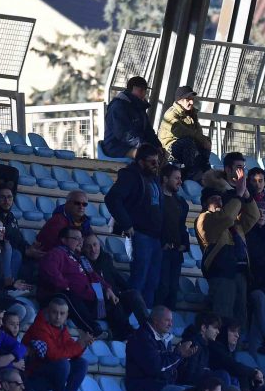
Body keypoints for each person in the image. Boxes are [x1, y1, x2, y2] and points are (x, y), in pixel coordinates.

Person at [195, 158, 261, 329]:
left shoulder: (234, 223)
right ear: (205, 203)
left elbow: (253, 217)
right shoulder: (205, 218)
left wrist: (246, 196)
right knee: (222, 316)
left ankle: (235, 344)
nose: (219, 202)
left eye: (221, 199)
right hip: (222, 273)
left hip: (239, 272)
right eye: (214, 199)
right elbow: (226, 217)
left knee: (239, 319)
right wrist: (237, 195)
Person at [105, 144, 165, 307]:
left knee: (152, 282)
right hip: (140, 234)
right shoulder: (130, 176)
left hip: (155, 236)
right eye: (152, 162)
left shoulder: (153, 178)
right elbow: (112, 198)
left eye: (157, 161)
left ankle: (146, 317)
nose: (156, 165)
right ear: (140, 161)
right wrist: (127, 224)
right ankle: (131, 316)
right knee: (139, 280)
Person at [38, 227, 119, 337]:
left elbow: (94, 276)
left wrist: (107, 288)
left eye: (81, 239)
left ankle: (122, 333)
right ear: (64, 240)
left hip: (85, 298)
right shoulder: (57, 253)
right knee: (69, 295)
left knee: (116, 299)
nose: (80, 242)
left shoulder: (80, 258)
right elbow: (49, 270)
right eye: (76, 238)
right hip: (60, 297)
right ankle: (93, 330)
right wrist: (66, 286)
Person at [22, 297, 91, 391]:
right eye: (54, 312)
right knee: (63, 364)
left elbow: (71, 350)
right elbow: (53, 355)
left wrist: (83, 344)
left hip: (50, 374)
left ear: (67, 315)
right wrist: (78, 345)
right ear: (48, 311)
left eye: (62, 313)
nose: (58, 317)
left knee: (81, 363)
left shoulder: (61, 328)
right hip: (33, 377)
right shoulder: (40, 327)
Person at [126, 306, 197, 391]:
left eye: (171, 321)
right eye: (167, 320)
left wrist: (181, 356)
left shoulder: (164, 337)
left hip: (159, 383)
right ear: (155, 320)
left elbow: (167, 367)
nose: (171, 324)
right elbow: (157, 368)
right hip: (141, 384)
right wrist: (179, 354)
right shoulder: (142, 338)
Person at [80, 233, 149, 340]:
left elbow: (117, 277)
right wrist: (108, 292)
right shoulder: (81, 263)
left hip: (114, 299)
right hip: (97, 305)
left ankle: (148, 330)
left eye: (95, 245)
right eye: (88, 246)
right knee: (113, 303)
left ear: (99, 245)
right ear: (83, 249)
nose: (93, 249)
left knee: (134, 295)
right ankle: (126, 335)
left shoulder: (106, 258)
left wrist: (129, 290)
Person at [0, 185, 44, 287]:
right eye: (2, 197)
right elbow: (2, 239)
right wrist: (24, 250)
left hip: (11, 252)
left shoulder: (11, 217)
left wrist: (28, 247)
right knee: (15, 253)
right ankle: (9, 284)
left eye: (9, 197)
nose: (6, 201)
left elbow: (17, 238)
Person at [101, 76, 161, 159]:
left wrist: (157, 145)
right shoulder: (118, 106)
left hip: (134, 145)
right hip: (116, 147)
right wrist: (144, 146)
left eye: (145, 90)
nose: (144, 93)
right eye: (141, 90)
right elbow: (124, 134)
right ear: (131, 89)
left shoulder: (139, 107)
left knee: (159, 155)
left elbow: (148, 130)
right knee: (147, 157)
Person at [155, 164, 189, 309]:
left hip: (176, 252)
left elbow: (181, 226)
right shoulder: (156, 199)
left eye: (180, 178)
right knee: (162, 287)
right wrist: (162, 243)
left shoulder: (181, 203)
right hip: (161, 251)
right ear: (165, 179)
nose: (180, 181)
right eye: (176, 178)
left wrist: (184, 244)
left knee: (173, 289)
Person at [159, 85, 211, 177]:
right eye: (188, 99)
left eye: (192, 99)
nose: (191, 102)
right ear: (179, 100)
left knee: (206, 140)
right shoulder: (171, 114)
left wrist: (204, 140)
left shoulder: (191, 114)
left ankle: (204, 168)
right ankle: (189, 172)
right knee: (188, 142)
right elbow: (181, 132)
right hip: (168, 149)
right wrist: (201, 139)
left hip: (185, 147)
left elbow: (198, 132)